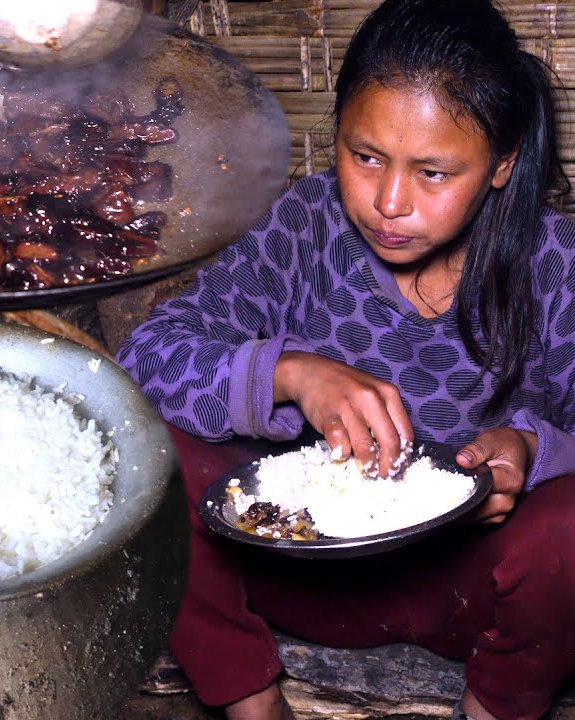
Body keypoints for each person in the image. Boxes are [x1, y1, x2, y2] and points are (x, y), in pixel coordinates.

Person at [117, 0, 575, 718]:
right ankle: (249, 696)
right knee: (147, 453)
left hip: (467, 591)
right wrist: (290, 374)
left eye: (432, 173)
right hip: (301, 572)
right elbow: (148, 358)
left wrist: (530, 448)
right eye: (365, 157)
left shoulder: (552, 261)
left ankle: (494, 708)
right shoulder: (307, 225)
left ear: (502, 165)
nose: (389, 201)